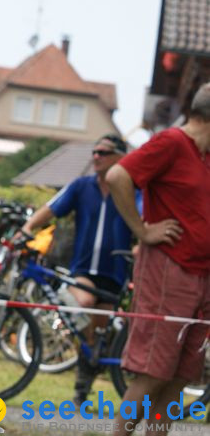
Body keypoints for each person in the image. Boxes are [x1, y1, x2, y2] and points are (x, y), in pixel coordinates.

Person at [107, 82, 210, 436]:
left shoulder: (205, 153)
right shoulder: (172, 143)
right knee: (154, 371)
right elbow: (118, 175)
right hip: (170, 270)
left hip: (202, 276)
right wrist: (143, 229)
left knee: (182, 374)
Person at [17, 133, 135, 405]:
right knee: (84, 303)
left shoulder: (130, 189)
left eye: (103, 152)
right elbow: (52, 208)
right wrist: (28, 227)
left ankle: (82, 389)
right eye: (94, 152)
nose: (96, 157)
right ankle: (84, 379)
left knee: (95, 338)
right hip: (83, 269)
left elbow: (143, 217)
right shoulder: (81, 187)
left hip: (115, 272)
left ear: (119, 157)